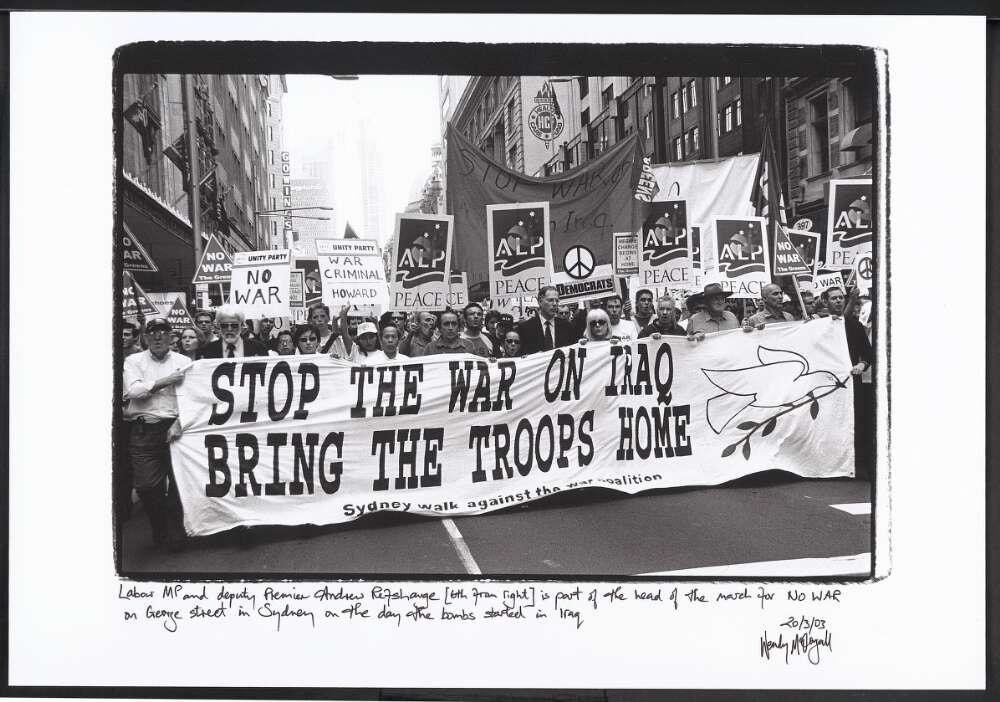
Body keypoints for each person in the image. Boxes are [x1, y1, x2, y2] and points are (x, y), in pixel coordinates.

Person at [122, 317, 190, 551]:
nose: (158, 337)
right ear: (145, 337)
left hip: (174, 429)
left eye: (163, 332)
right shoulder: (134, 361)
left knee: (179, 484)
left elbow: (190, 398)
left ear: (172, 336)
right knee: (147, 487)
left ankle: (175, 532)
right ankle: (159, 526)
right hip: (144, 430)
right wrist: (166, 381)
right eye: (153, 333)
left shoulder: (184, 361)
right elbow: (135, 391)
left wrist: (180, 421)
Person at [827, 285, 874, 480]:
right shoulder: (820, 326)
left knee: (858, 422)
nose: (838, 301)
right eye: (834, 298)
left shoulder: (854, 325)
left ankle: (858, 464)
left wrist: (862, 365)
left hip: (853, 384)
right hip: (829, 385)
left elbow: (869, 353)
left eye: (840, 298)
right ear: (826, 302)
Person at [517, 286, 576, 355]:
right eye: (550, 300)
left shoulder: (567, 326)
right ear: (540, 302)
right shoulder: (525, 328)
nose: (554, 304)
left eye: (557, 301)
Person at [199, 306, 271, 358]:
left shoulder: (258, 348)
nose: (229, 329)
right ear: (219, 326)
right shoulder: (208, 350)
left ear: (242, 325)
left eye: (234, 325)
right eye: (224, 326)